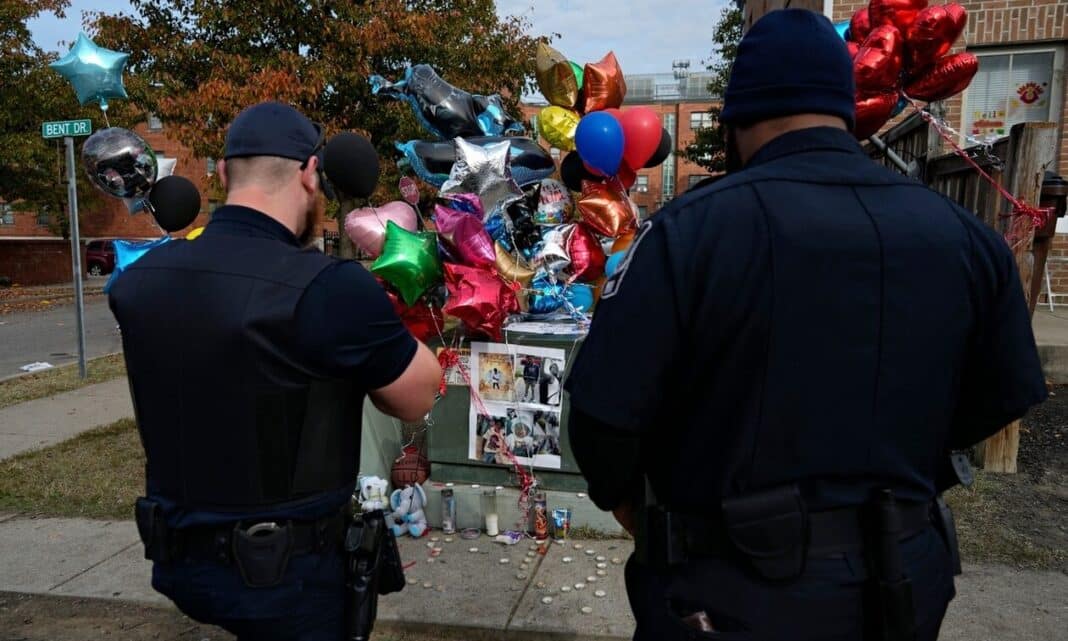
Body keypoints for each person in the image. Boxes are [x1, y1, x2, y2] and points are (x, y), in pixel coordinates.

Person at [564, 10, 1047, 641]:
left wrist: (646, 511)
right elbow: (999, 399)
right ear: (846, 111)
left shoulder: (686, 235)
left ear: (736, 120)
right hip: (904, 582)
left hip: (728, 589)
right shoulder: (966, 238)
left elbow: (602, 422)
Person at [109, 102, 442, 641]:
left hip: (179, 558)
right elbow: (418, 395)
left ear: (222, 173)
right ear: (311, 173)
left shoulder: (138, 281)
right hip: (292, 576)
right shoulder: (329, 287)